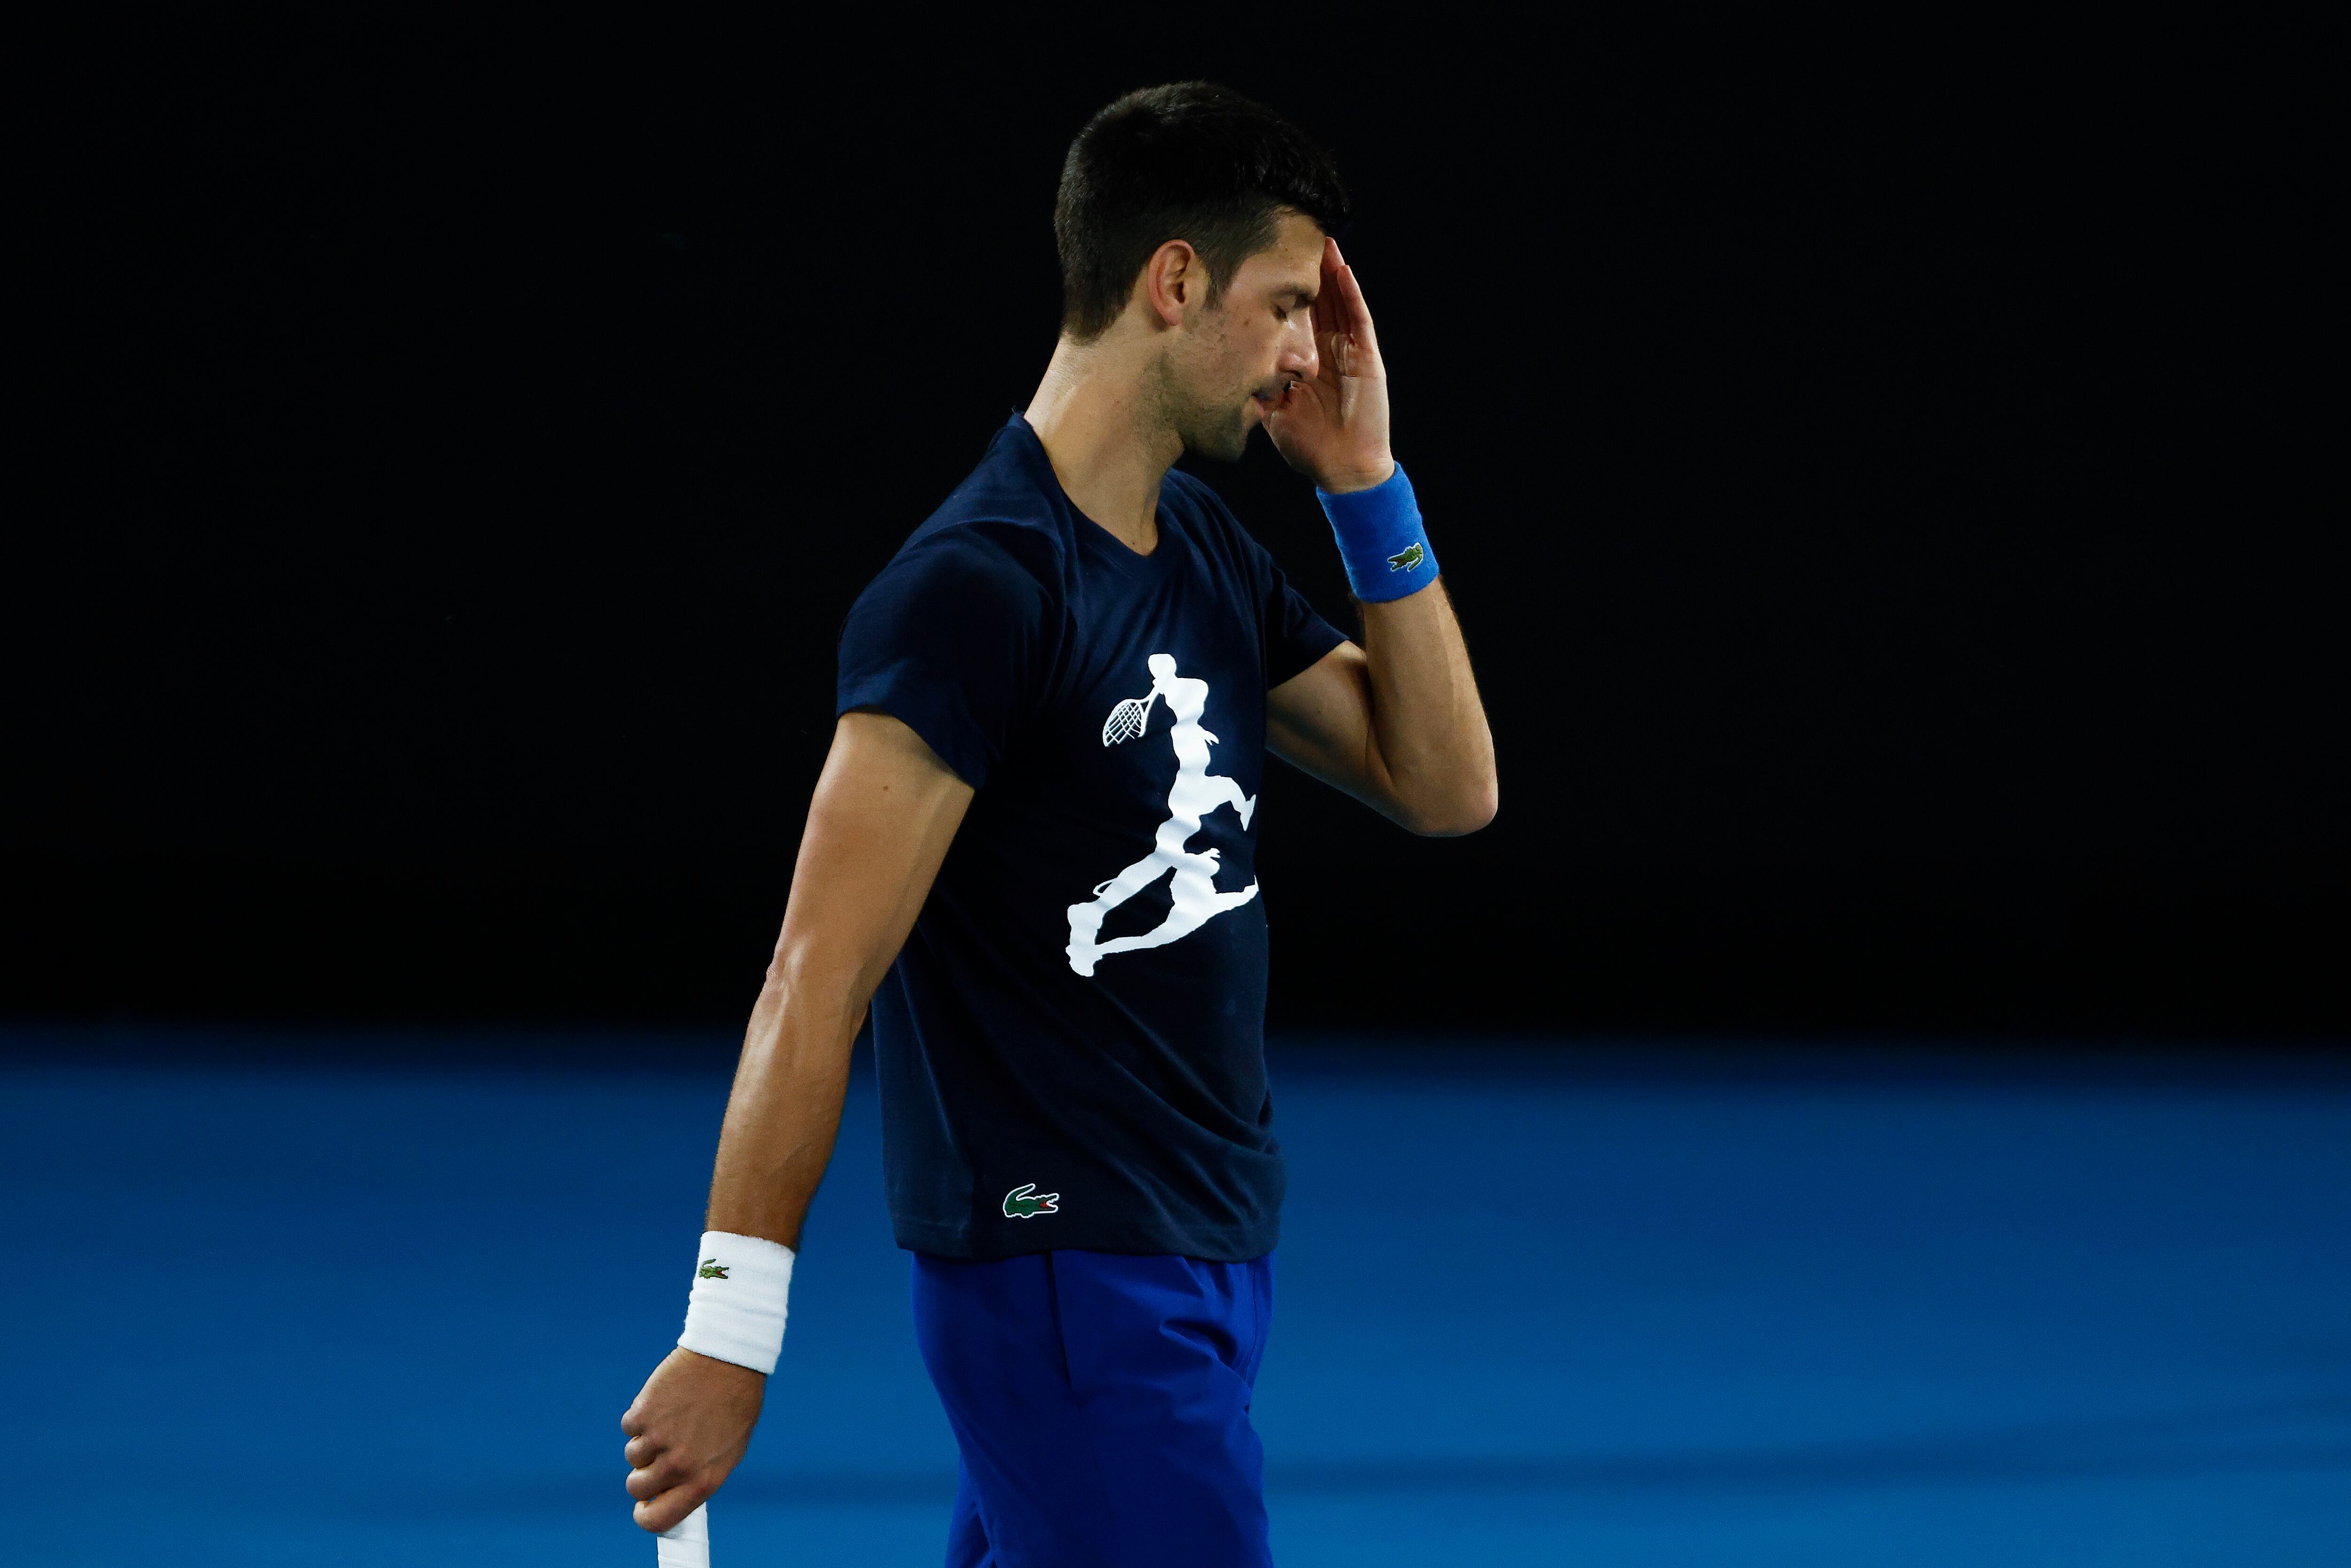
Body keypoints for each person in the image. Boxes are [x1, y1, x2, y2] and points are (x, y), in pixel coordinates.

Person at [622, 81, 1498, 1567]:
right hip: (1072, 1277)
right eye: (1287, 302)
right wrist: (732, 1329)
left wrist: (1365, 485)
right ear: (1174, 281)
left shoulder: (1203, 547)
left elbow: (1444, 783)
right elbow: (814, 975)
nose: (1309, 349)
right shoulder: (975, 591)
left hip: (1197, 1253)